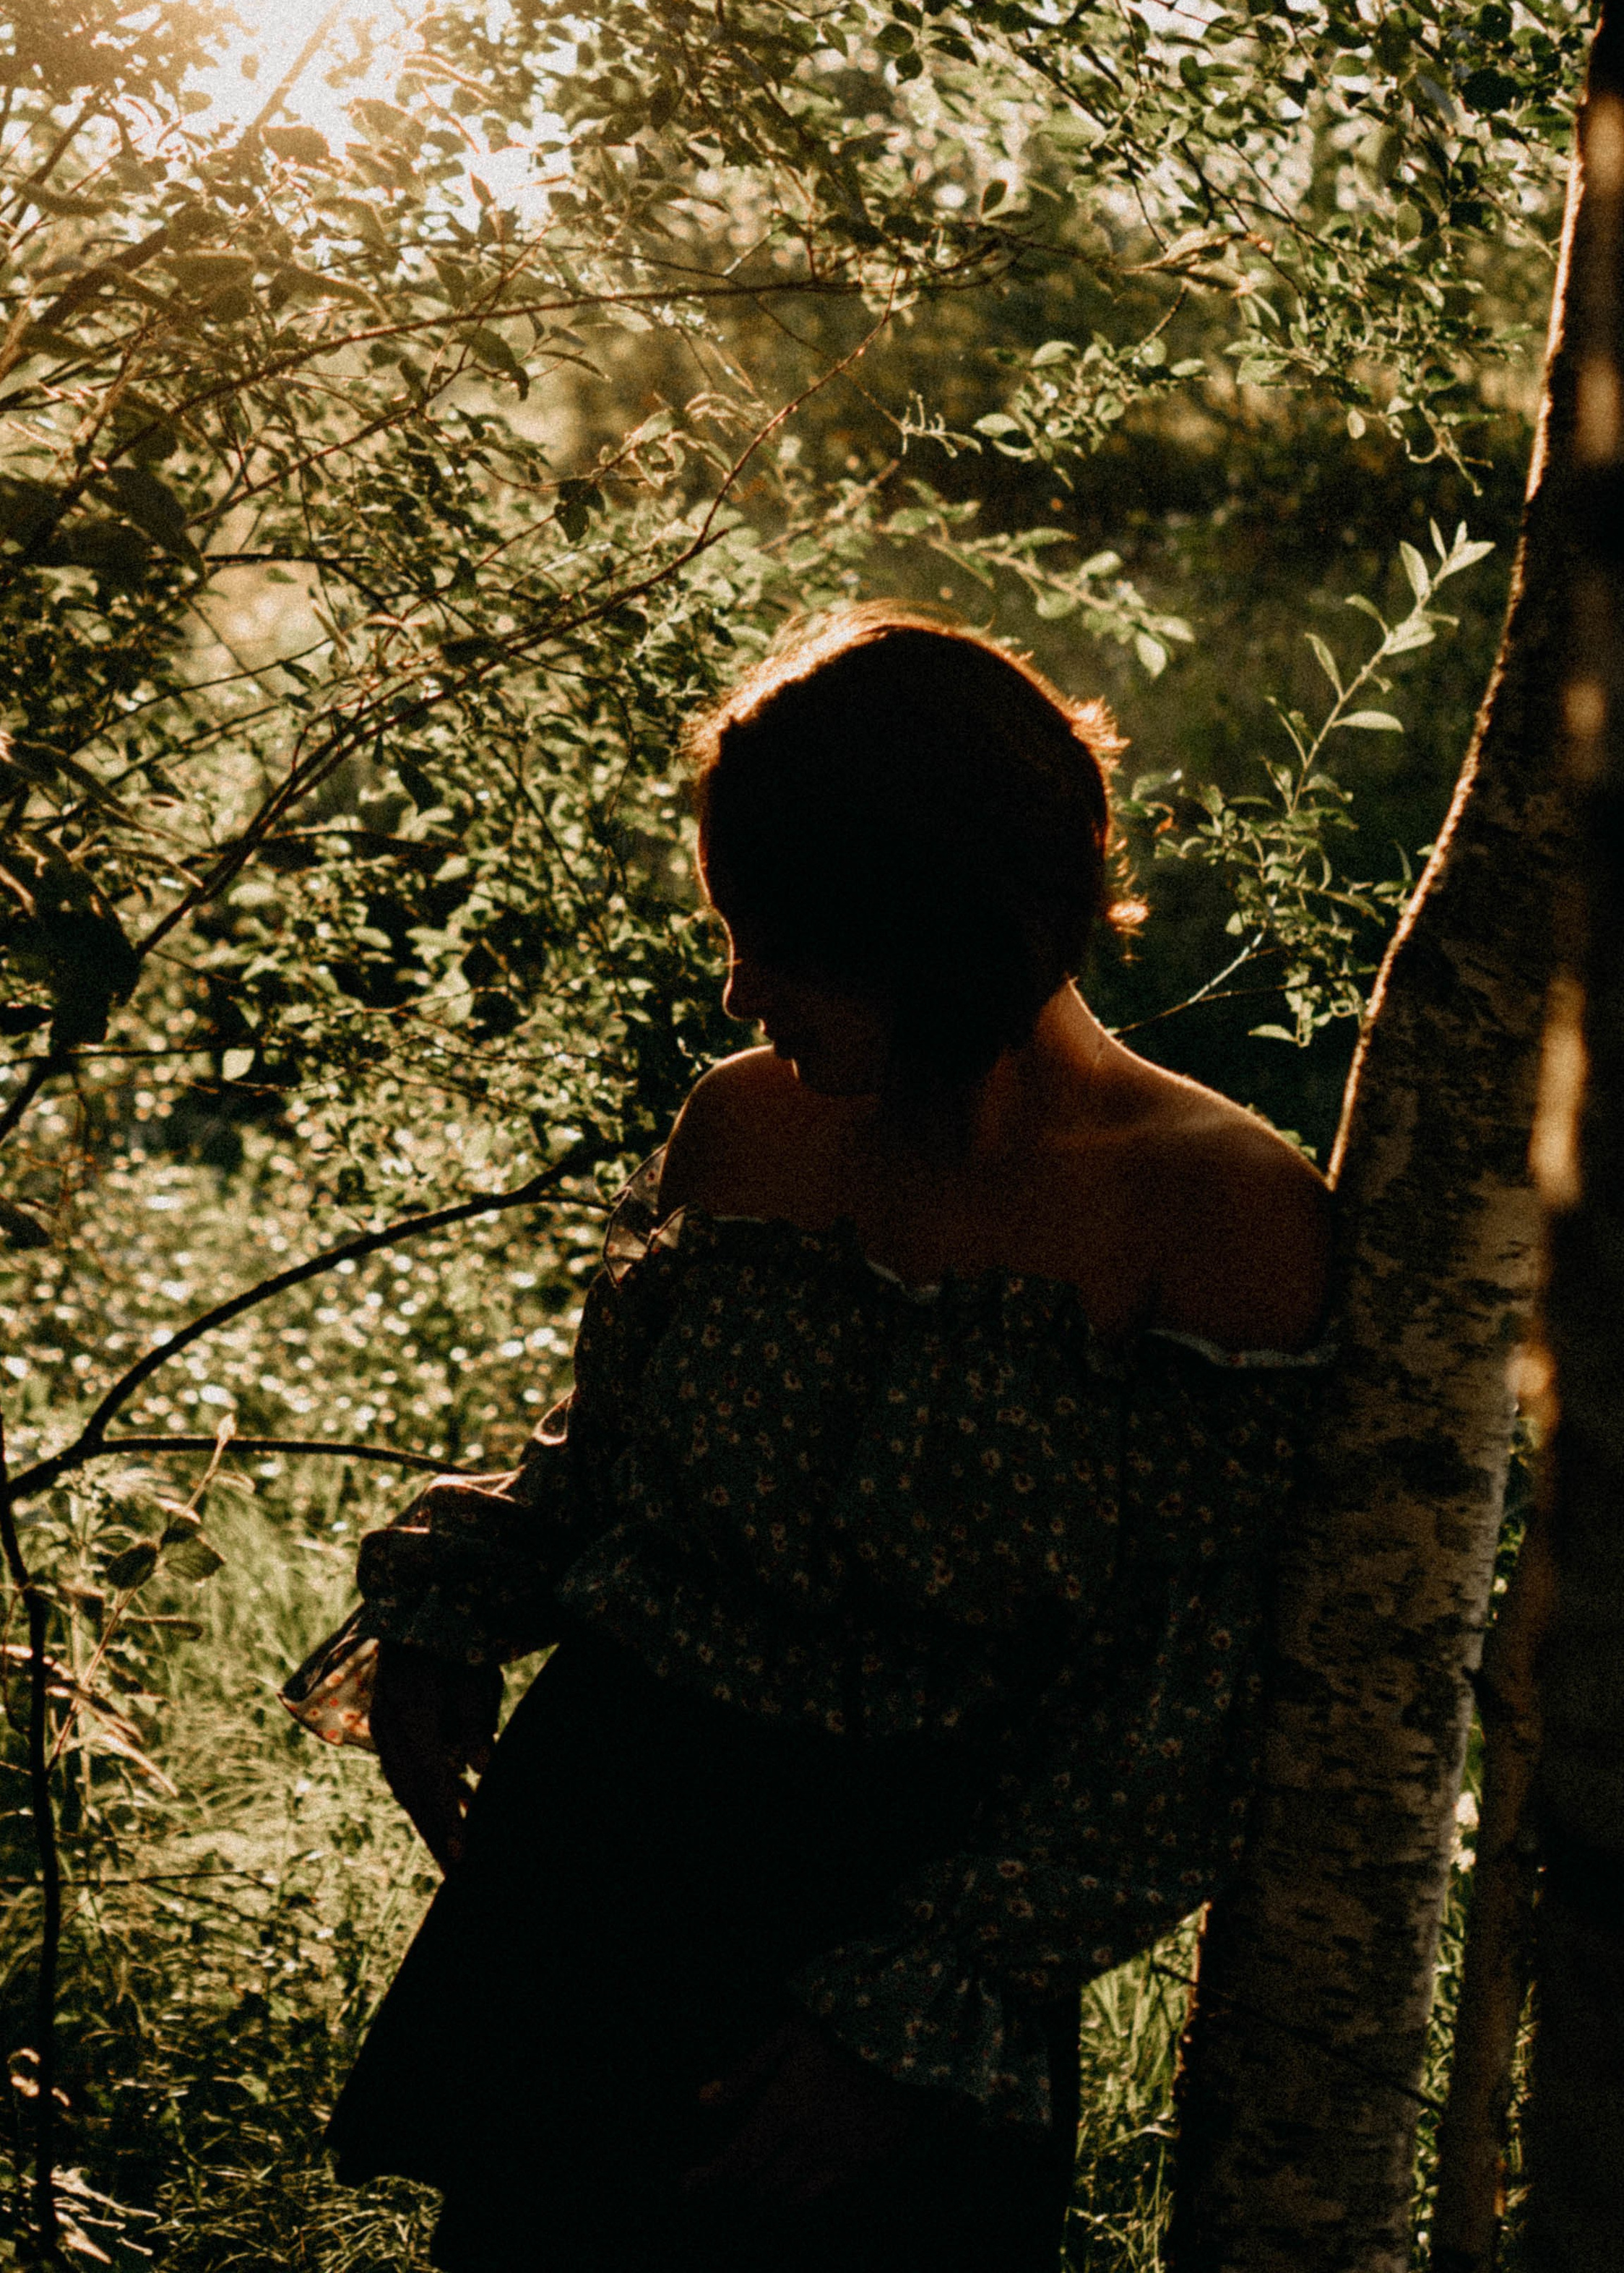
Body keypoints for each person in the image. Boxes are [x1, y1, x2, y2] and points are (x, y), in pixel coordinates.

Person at [282, 608, 1332, 2273]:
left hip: (901, 1920)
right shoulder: (741, 1126)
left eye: (778, 943)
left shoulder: (1216, 1216)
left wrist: (909, 2016)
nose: (735, 987)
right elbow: (607, 1461)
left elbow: (1186, 1710)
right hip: (600, 1842)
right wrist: (445, 1616)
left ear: (929, 929)